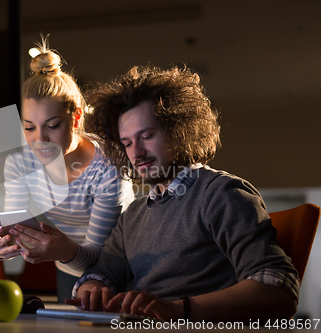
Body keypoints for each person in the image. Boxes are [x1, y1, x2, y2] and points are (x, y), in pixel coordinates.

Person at [65, 65, 300, 322]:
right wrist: (93, 290)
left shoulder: (222, 194)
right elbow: (101, 274)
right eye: (128, 143)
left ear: (180, 132)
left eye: (147, 136)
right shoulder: (133, 214)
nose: (136, 154)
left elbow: (279, 288)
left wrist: (178, 309)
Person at [0, 39, 135, 302]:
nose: (39, 140)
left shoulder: (109, 166)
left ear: (76, 117)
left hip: (121, 268)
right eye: (29, 127)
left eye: (52, 126)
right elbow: (15, 228)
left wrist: (63, 251)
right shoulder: (21, 161)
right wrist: (1, 248)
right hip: (66, 267)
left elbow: (100, 260)